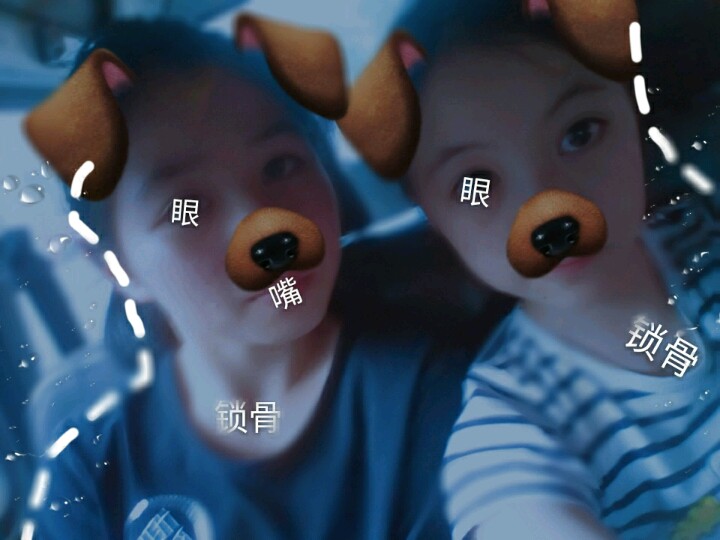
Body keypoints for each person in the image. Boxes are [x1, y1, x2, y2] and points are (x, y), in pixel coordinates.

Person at [23, 18, 481, 539]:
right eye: (186, 208)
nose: (264, 225)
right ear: (114, 266)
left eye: (281, 166)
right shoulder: (90, 469)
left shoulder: (443, 400)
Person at [393, 1, 720, 538]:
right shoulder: (512, 416)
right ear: (433, 220)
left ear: (631, 114)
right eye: (477, 184)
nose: (548, 207)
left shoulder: (702, 226)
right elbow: (516, 509)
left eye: (580, 134)